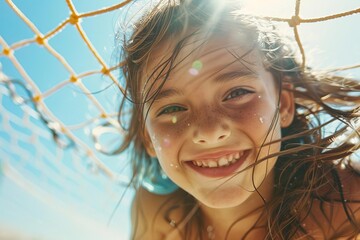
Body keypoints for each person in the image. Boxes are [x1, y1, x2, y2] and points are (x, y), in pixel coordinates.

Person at [116, 0, 360, 239]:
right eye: (172, 108)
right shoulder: (154, 213)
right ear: (148, 137)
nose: (209, 131)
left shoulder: (348, 202)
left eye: (237, 93)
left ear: (283, 105)